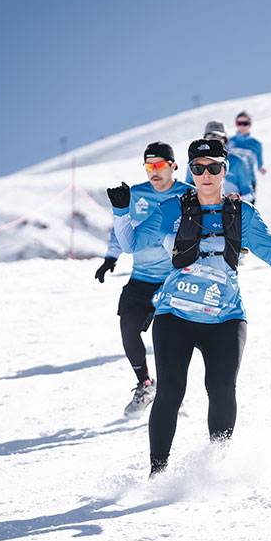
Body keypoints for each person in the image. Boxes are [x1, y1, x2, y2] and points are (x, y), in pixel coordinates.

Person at [134, 138, 271, 477]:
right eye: (198, 169)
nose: (206, 174)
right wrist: (120, 215)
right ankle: (158, 473)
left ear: (224, 170)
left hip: (226, 317)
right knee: (171, 391)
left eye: (213, 167)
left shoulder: (243, 214)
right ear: (190, 171)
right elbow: (134, 242)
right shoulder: (173, 208)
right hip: (175, 315)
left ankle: (214, 466)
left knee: (220, 388)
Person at [103, 142, 192, 416]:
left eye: (159, 165)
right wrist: (110, 256)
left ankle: (173, 392)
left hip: (174, 279)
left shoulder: (187, 194)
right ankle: (145, 384)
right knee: (128, 329)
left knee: (170, 339)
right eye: (148, 166)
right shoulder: (136, 193)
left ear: (173, 166)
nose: (153, 171)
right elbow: (122, 229)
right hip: (141, 276)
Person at [188, 120, 254, 202]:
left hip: (232, 212)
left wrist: (238, 199)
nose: (213, 140)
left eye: (218, 137)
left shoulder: (237, 162)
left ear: (225, 139)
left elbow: (249, 194)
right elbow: (187, 188)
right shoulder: (195, 162)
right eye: (209, 137)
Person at [227, 111, 266, 200]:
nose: (242, 126)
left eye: (245, 123)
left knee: (247, 210)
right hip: (233, 182)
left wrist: (262, 168)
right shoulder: (230, 142)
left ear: (249, 124)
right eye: (239, 123)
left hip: (248, 182)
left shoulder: (256, 144)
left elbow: (260, 163)